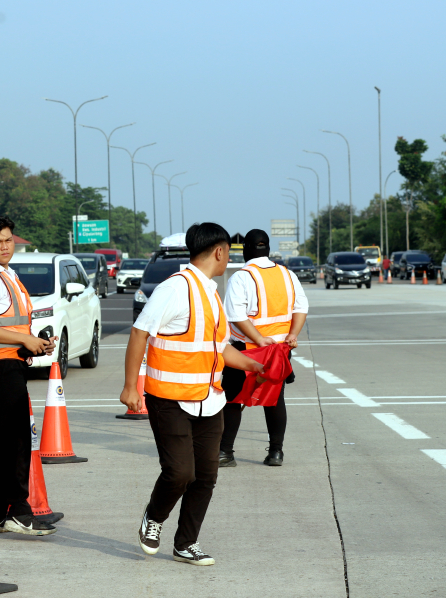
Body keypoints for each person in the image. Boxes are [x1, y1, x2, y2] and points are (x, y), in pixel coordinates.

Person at [121, 222, 264, 566]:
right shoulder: (176, 289)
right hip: (169, 398)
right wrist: (129, 387)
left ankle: (186, 542)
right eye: (229, 252)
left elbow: (217, 347)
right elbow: (140, 333)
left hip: (209, 400)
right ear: (219, 251)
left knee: (206, 476)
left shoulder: (212, 293)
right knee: (180, 472)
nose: (229, 258)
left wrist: (250, 365)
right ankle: (153, 518)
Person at [0, 216, 56, 536]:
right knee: (15, 443)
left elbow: (12, 323)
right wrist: (23, 340)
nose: (5, 247)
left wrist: (33, 345)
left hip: (8, 364)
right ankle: (18, 511)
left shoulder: (7, 274)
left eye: (8, 240)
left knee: (4, 441)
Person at [220, 229, 308, 468]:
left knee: (233, 399)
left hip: (247, 348)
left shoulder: (242, 276)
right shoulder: (287, 274)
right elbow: (301, 307)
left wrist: (258, 339)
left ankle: (225, 452)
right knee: (275, 399)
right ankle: (276, 452)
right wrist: (293, 335)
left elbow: (236, 315)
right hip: (279, 350)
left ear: (245, 249)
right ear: (268, 248)